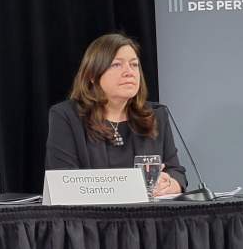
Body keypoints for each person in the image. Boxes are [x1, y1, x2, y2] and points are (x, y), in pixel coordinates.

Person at [45, 32, 185, 197]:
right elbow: (62, 181)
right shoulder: (66, 116)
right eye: (117, 65)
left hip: (147, 219)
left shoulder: (155, 115)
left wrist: (169, 184)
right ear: (92, 75)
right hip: (91, 219)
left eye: (134, 65)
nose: (129, 72)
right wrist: (134, 186)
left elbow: (176, 172)